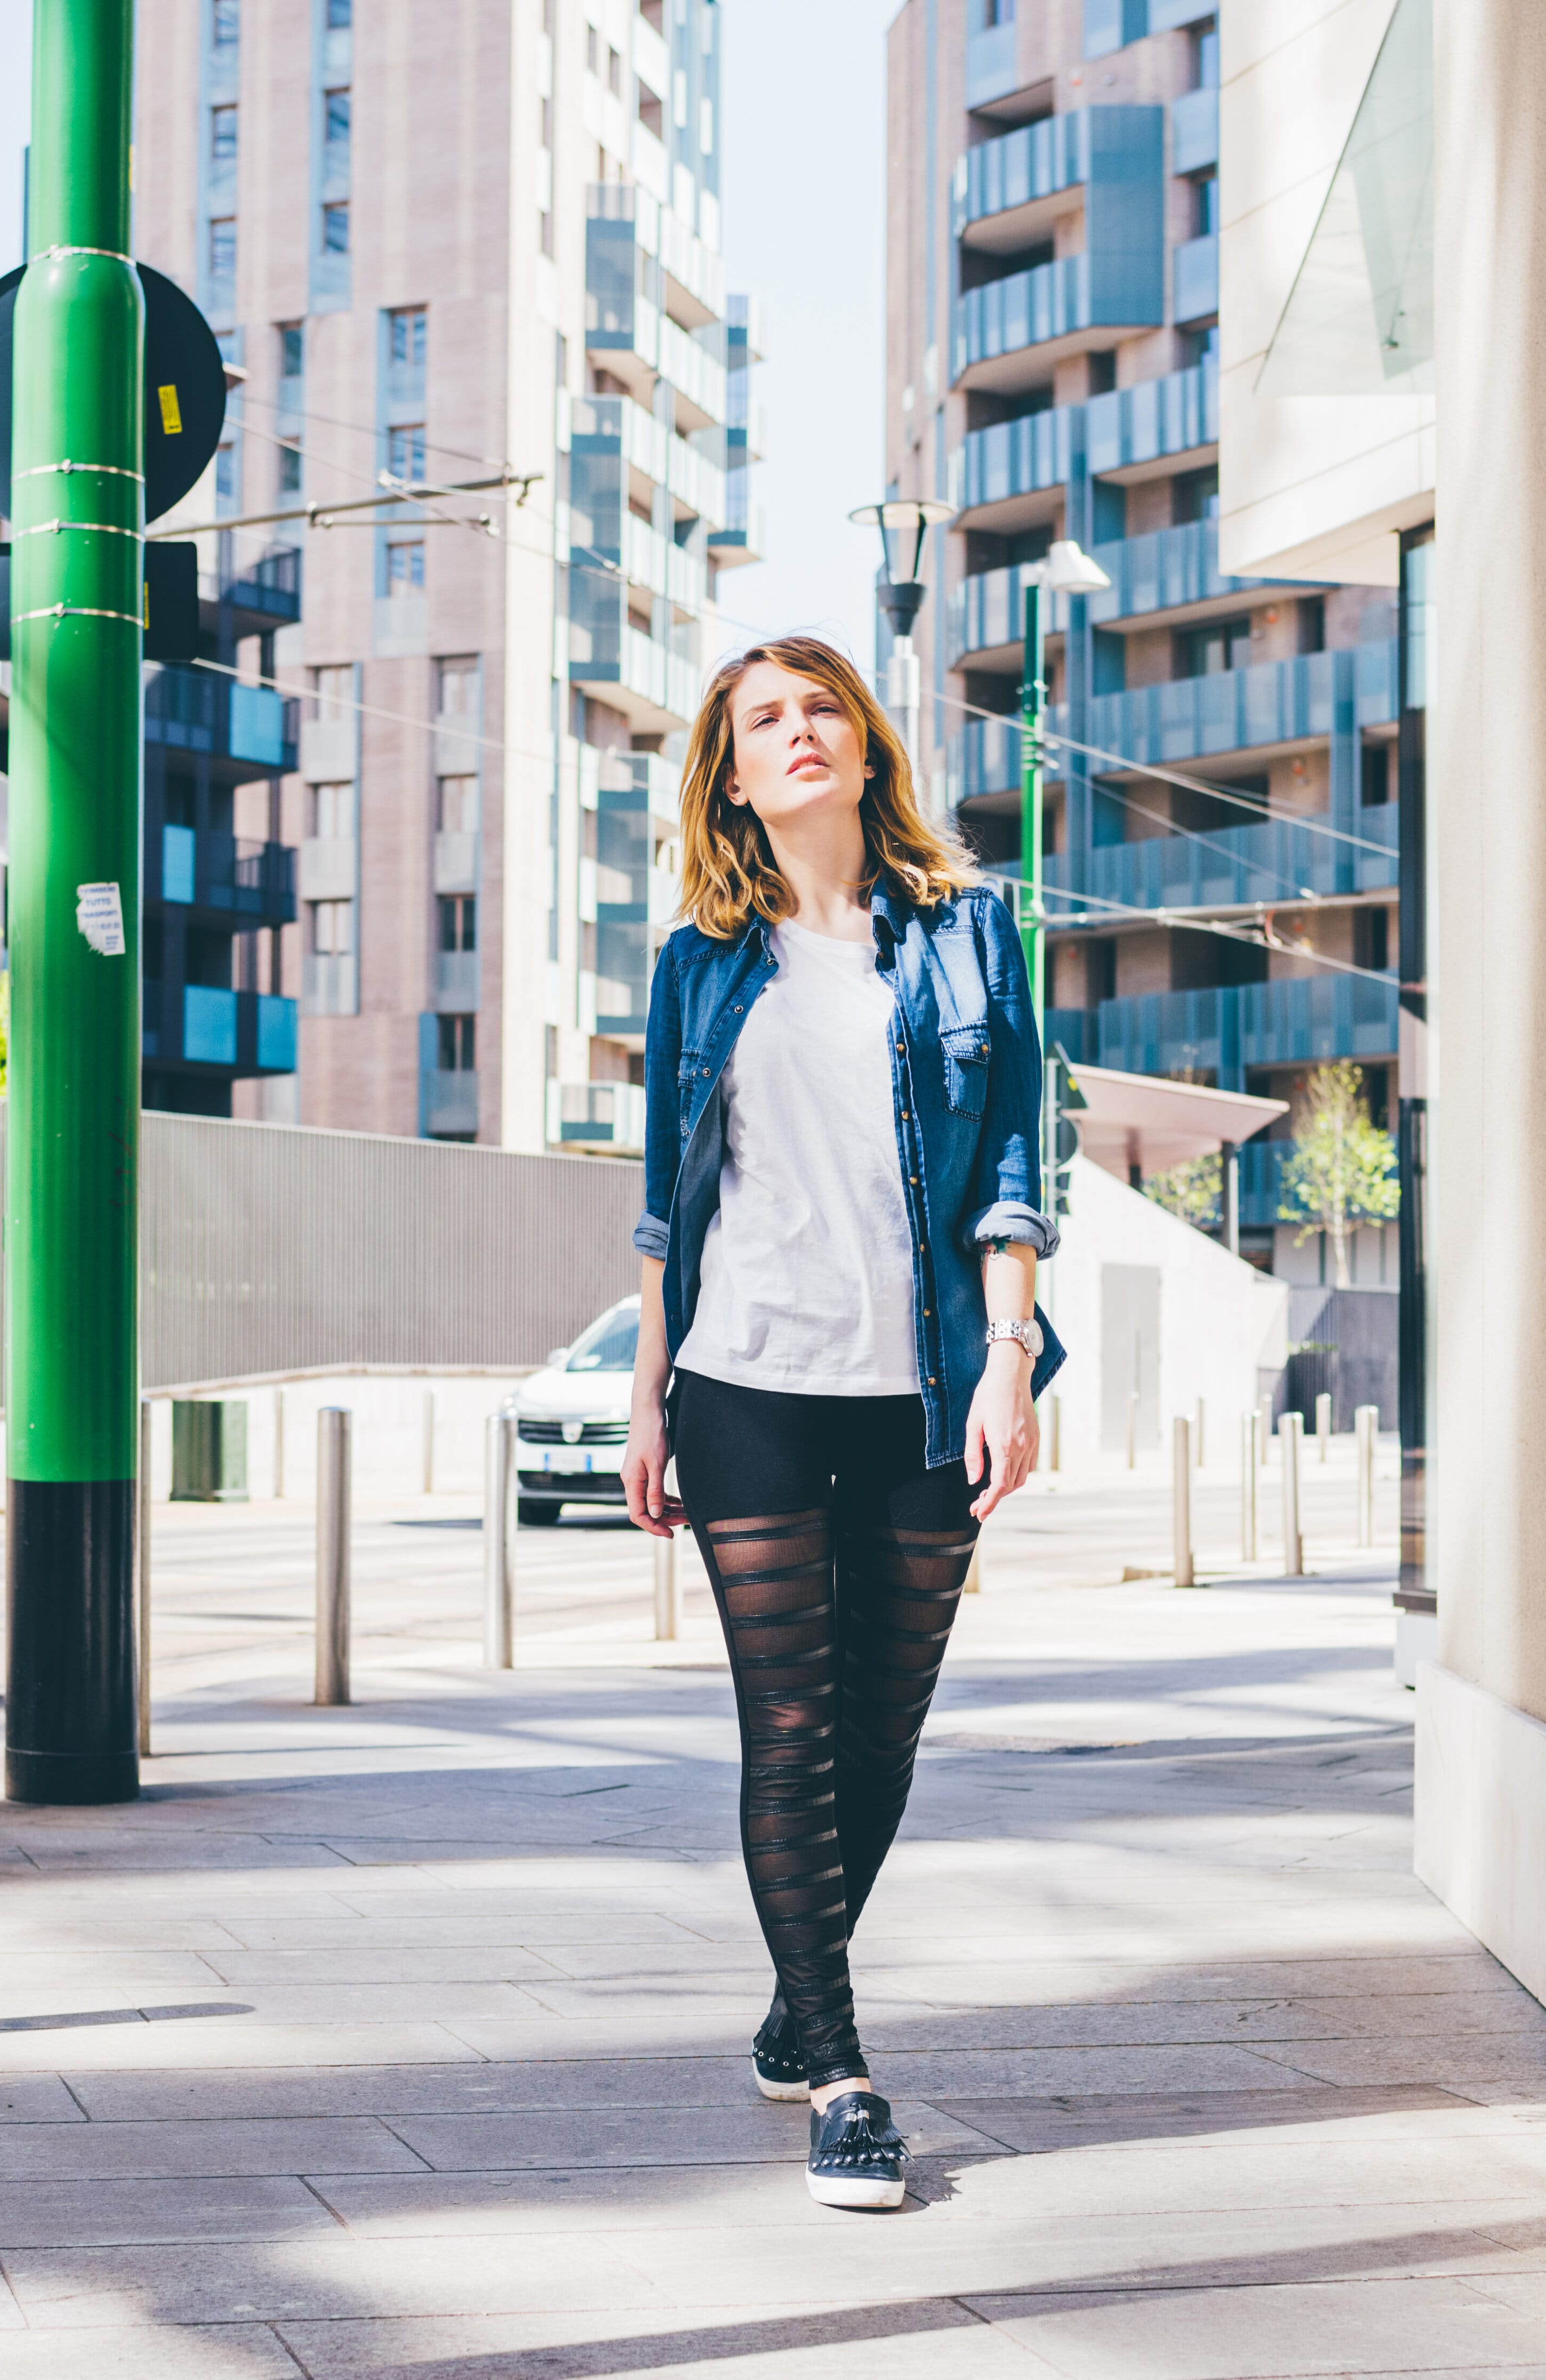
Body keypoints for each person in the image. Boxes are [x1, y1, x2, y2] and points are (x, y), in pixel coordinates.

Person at [619, 633, 1059, 2212]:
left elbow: (1014, 1154)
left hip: (923, 1383)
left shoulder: (970, 936)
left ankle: (796, 1996)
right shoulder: (697, 961)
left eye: (822, 711)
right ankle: (847, 2072)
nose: (797, 736)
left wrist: (1011, 1357)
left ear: (866, 748)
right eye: (763, 722)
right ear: (731, 776)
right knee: (790, 1730)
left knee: (881, 1735)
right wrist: (647, 1388)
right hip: (742, 1376)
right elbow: (674, 1200)